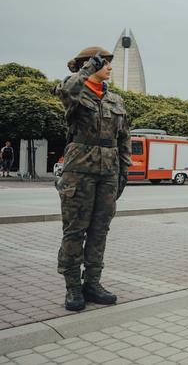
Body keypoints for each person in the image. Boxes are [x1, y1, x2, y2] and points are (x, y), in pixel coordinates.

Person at [54, 47, 131, 311]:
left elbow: (124, 138)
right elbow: (66, 91)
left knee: (100, 231)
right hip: (79, 172)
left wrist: (124, 171)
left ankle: (93, 283)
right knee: (75, 230)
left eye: (110, 63)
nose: (109, 68)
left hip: (108, 172)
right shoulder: (75, 91)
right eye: (105, 63)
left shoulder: (116, 100)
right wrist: (86, 68)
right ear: (91, 65)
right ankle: (73, 287)